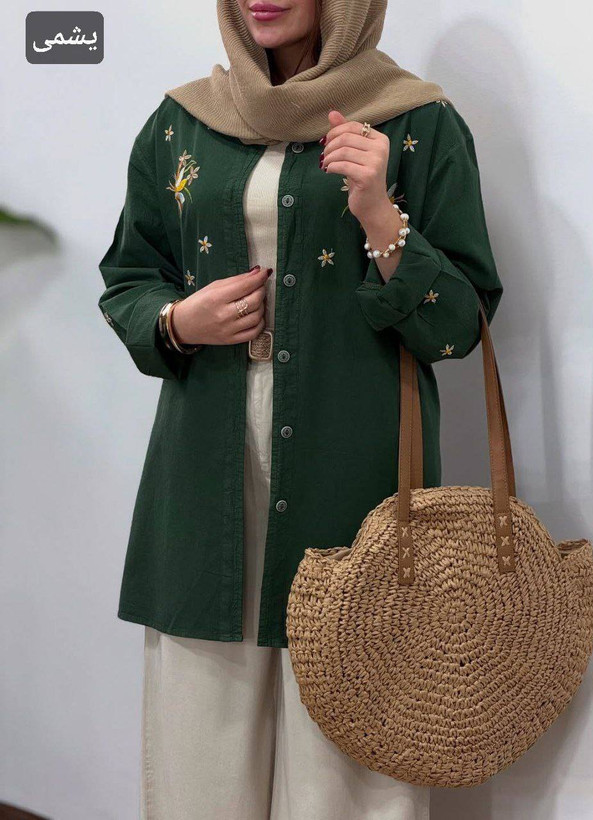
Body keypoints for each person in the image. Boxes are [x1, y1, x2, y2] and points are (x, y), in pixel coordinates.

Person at [98, 0, 503, 817]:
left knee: (347, 755)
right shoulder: (182, 123)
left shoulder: (415, 122)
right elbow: (130, 278)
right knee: (201, 746)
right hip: (205, 477)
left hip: (350, 473)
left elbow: (456, 326)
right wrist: (179, 321)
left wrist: (379, 214)